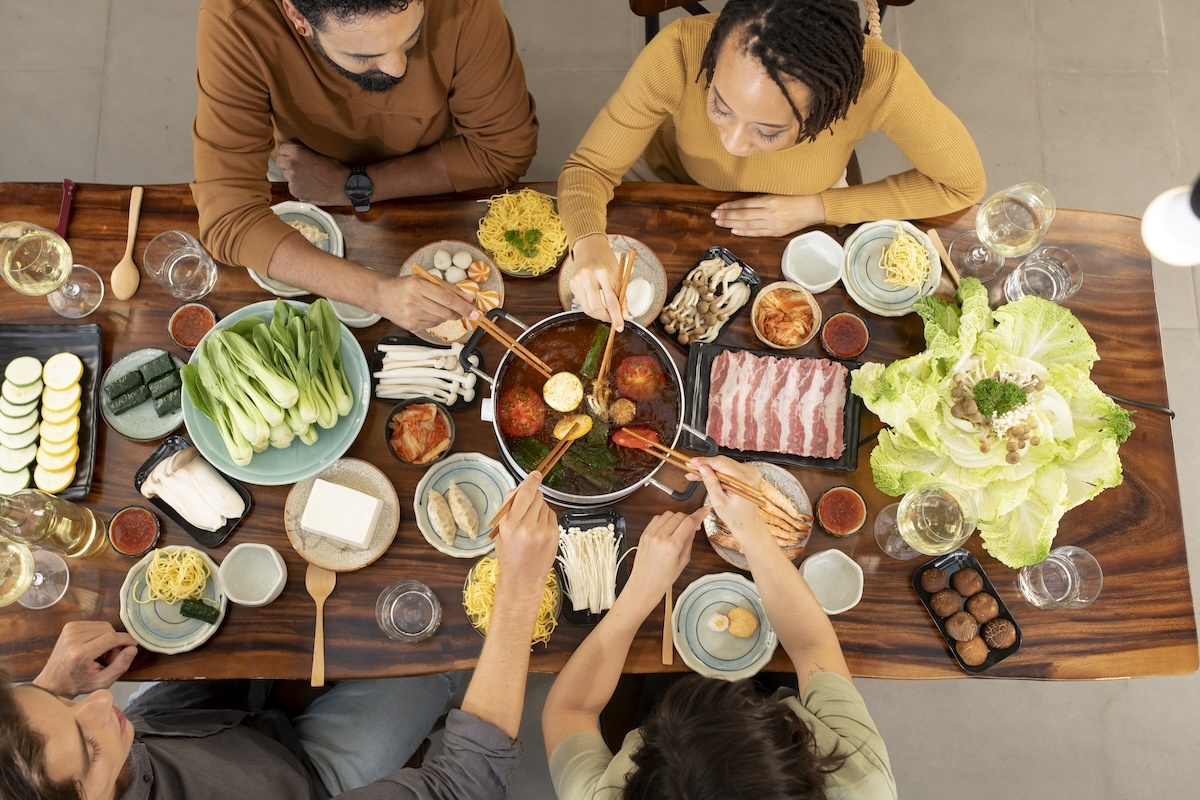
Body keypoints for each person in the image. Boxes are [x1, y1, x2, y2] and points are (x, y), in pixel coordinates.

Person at [1, 472, 559, 800]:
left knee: (250, 605)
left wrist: (53, 688)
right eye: (88, 746)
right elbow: (465, 781)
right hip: (298, 782)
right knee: (437, 661)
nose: (102, 702)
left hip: (188, 729)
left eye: (68, 706)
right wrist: (520, 588)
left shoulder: (86, 728)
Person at [562, 0, 986, 328]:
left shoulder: (882, 80)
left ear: (830, 109)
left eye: (767, 132)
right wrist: (589, 242)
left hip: (807, 200)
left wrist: (819, 207)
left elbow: (961, 185)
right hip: (673, 176)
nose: (732, 144)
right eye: (719, 105)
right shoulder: (680, 49)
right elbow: (589, 169)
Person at [542, 457, 897, 799]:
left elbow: (569, 711)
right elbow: (811, 646)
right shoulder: (861, 781)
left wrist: (641, 591)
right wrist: (751, 529)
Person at [192, 0, 539, 333]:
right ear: (297, 17)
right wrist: (378, 294)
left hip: (433, 169)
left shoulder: (465, 6)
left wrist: (351, 185)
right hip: (301, 169)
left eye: (413, 36)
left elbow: (503, 151)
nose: (397, 68)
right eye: (363, 56)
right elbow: (229, 217)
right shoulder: (237, 19)